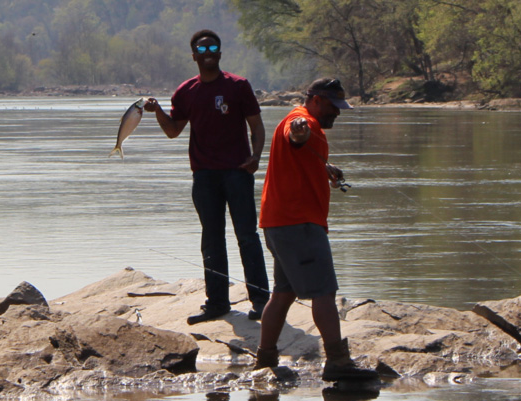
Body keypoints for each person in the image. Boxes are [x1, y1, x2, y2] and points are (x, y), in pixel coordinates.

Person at [254, 78, 378, 381]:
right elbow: (296, 135)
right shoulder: (301, 121)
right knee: (324, 291)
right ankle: (337, 362)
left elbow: (299, 153)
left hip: (278, 223)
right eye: (334, 107)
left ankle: (265, 359)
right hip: (300, 225)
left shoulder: (308, 125)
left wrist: (324, 168)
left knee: (283, 293)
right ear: (316, 100)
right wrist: (300, 129)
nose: (337, 113)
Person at [144, 29, 270, 325]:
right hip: (205, 176)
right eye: (202, 49)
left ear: (220, 52)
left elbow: (258, 127)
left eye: (213, 46)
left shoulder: (238, 86)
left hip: (237, 172)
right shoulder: (186, 92)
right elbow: (173, 131)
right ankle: (217, 303)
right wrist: (158, 111)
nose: (208, 51)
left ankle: (262, 301)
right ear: (194, 56)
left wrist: (256, 157)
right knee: (211, 240)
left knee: (247, 236)